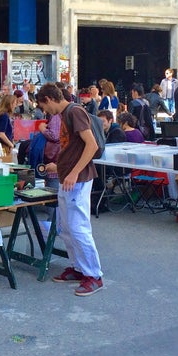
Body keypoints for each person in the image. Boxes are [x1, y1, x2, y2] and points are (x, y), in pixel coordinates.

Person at [36, 84, 103, 296]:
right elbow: (73, 147)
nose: (46, 112)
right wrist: (62, 167)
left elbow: (91, 145)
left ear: (48, 99)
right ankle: (78, 267)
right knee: (66, 227)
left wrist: (73, 172)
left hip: (78, 179)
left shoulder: (74, 112)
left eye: (44, 107)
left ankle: (93, 275)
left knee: (78, 227)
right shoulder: (67, 113)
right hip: (69, 177)